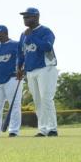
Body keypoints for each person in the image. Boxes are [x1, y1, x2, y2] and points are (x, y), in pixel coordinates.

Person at [18, 7, 59, 137]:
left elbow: (47, 47)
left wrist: (32, 36)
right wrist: (19, 67)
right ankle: (43, 129)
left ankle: (52, 128)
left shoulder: (45, 31)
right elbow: (21, 53)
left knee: (46, 98)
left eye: (28, 16)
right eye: (24, 17)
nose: (25, 19)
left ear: (36, 17)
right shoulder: (23, 34)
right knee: (37, 101)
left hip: (46, 68)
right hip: (30, 71)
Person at [0, 25, 23, 137]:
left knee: (14, 105)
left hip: (12, 78)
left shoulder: (15, 44)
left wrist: (20, 69)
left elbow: (22, 58)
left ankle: (13, 131)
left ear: (3, 33)